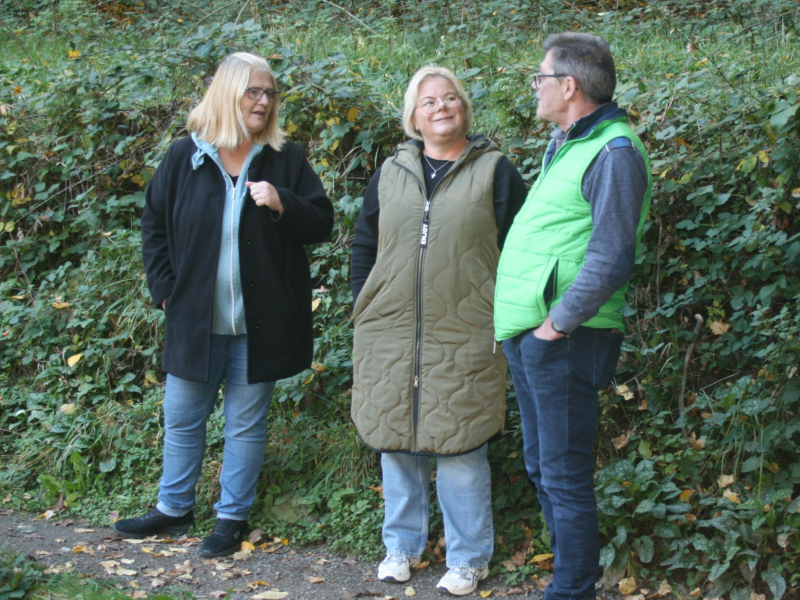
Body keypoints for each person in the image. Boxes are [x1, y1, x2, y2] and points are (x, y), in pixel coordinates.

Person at [113, 52, 334, 558]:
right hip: (194, 318)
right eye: (253, 91)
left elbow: (322, 224)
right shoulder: (183, 156)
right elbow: (153, 228)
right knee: (183, 416)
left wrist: (283, 202)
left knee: (245, 423)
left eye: (270, 93)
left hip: (260, 324)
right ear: (227, 93)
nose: (263, 101)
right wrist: (166, 290)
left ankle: (231, 518)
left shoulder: (286, 159)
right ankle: (173, 508)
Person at [350, 66, 526, 597]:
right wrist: (363, 302)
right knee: (395, 443)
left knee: (461, 448)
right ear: (413, 116)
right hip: (389, 329)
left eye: (450, 99)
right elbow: (365, 243)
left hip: (468, 329)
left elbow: (522, 250)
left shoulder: (496, 171)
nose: (441, 107)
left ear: (464, 110)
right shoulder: (390, 172)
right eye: (429, 102)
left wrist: (509, 314)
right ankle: (401, 548)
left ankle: (469, 559)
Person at [494, 33, 651, 600]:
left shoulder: (615, 153)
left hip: (565, 337)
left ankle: (572, 591)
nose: (534, 87)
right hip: (537, 336)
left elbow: (611, 256)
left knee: (563, 475)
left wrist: (553, 325)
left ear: (569, 85)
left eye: (540, 77)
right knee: (544, 468)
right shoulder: (571, 143)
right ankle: (569, 580)